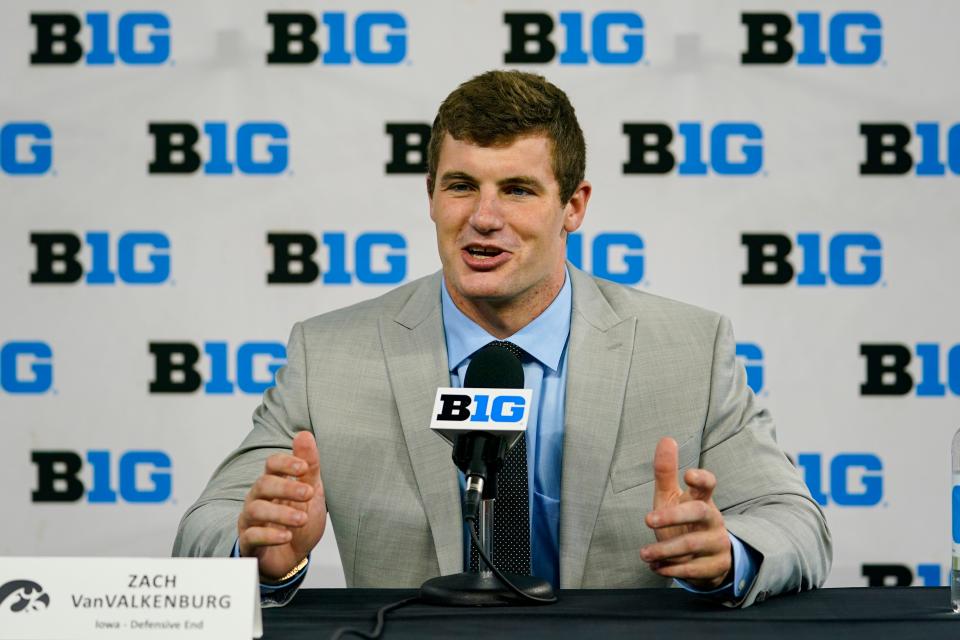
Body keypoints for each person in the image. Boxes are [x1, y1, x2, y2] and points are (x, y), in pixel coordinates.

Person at [173, 70, 831, 608]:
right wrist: (258, 552)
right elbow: (206, 527)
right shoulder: (331, 354)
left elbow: (795, 523)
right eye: (462, 186)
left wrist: (725, 556)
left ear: (574, 206)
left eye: (517, 190)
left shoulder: (689, 347)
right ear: (431, 195)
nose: (484, 219)